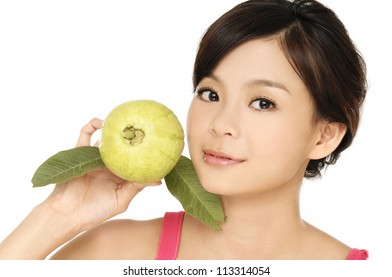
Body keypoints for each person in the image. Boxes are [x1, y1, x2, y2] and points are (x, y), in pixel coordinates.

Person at [0, 0, 368, 260]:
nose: (220, 123)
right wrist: (60, 215)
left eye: (263, 102)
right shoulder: (113, 254)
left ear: (324, 136)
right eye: (210, 93)